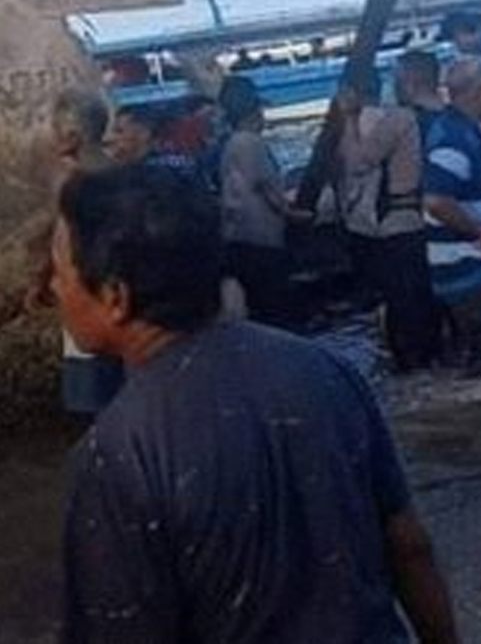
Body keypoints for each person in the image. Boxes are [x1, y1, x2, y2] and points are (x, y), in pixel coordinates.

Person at [52, 164, 458, 642]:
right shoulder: (325, 371)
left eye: (61, 271)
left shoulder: (119, 452)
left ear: (116, 297)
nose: (52, 288)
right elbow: (409, 547)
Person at [336, 71, 439, 372]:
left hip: (395, 223)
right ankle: (430, 362)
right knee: (417, 297)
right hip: (415, 217)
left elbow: (356, 162)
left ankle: (413, 367)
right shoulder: (428, 117)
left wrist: (349, 119)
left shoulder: (396, 120)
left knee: (403, 302)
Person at [46, 89, 125, 417]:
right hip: (120, 298)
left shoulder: (72, 182)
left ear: (71, 135)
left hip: (86, 294)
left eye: (55, 130)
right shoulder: (122, 174)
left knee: (93, 400)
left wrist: (44, 279)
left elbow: (64, 238)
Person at [423, 55, 481, 310]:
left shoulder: (465, 130)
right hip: (469, 267)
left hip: (470, 263)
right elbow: (435, 200)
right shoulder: (455, 139)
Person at [218, 78, 302, 329]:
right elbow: (265, 187)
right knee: (274, 306)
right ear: (254, 112)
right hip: (260, 237)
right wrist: (290, 213)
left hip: (240, 235)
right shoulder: (250, 142)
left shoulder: (230, 144)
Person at [395, 48, 447, 141]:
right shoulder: (463, 118)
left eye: (398, 83)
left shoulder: (415, 129)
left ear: (411, 84)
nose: (396, 92)